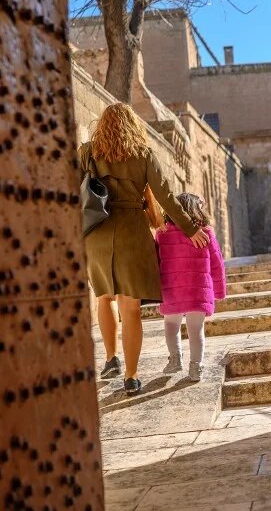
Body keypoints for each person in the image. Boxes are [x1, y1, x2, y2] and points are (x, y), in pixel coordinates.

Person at [79, 103, 209, 396]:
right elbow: (164, 195)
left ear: (103, 124)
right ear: (132, 125)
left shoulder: (87, 153)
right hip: (131, 233)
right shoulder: (143, 154)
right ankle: (131, 375)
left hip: (96, 234)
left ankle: (111, 358)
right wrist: (191, 229)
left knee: (103, 297)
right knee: (130, 307)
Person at [155, 192, 226, 382]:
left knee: (171, 324)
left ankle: (175, 359)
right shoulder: (205, 232)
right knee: (196, 330)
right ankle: (196, 367)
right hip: (198, 289)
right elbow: (217, 263)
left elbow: (156, 261)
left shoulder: (162, 233)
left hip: (171, 288)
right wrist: (219, 291)